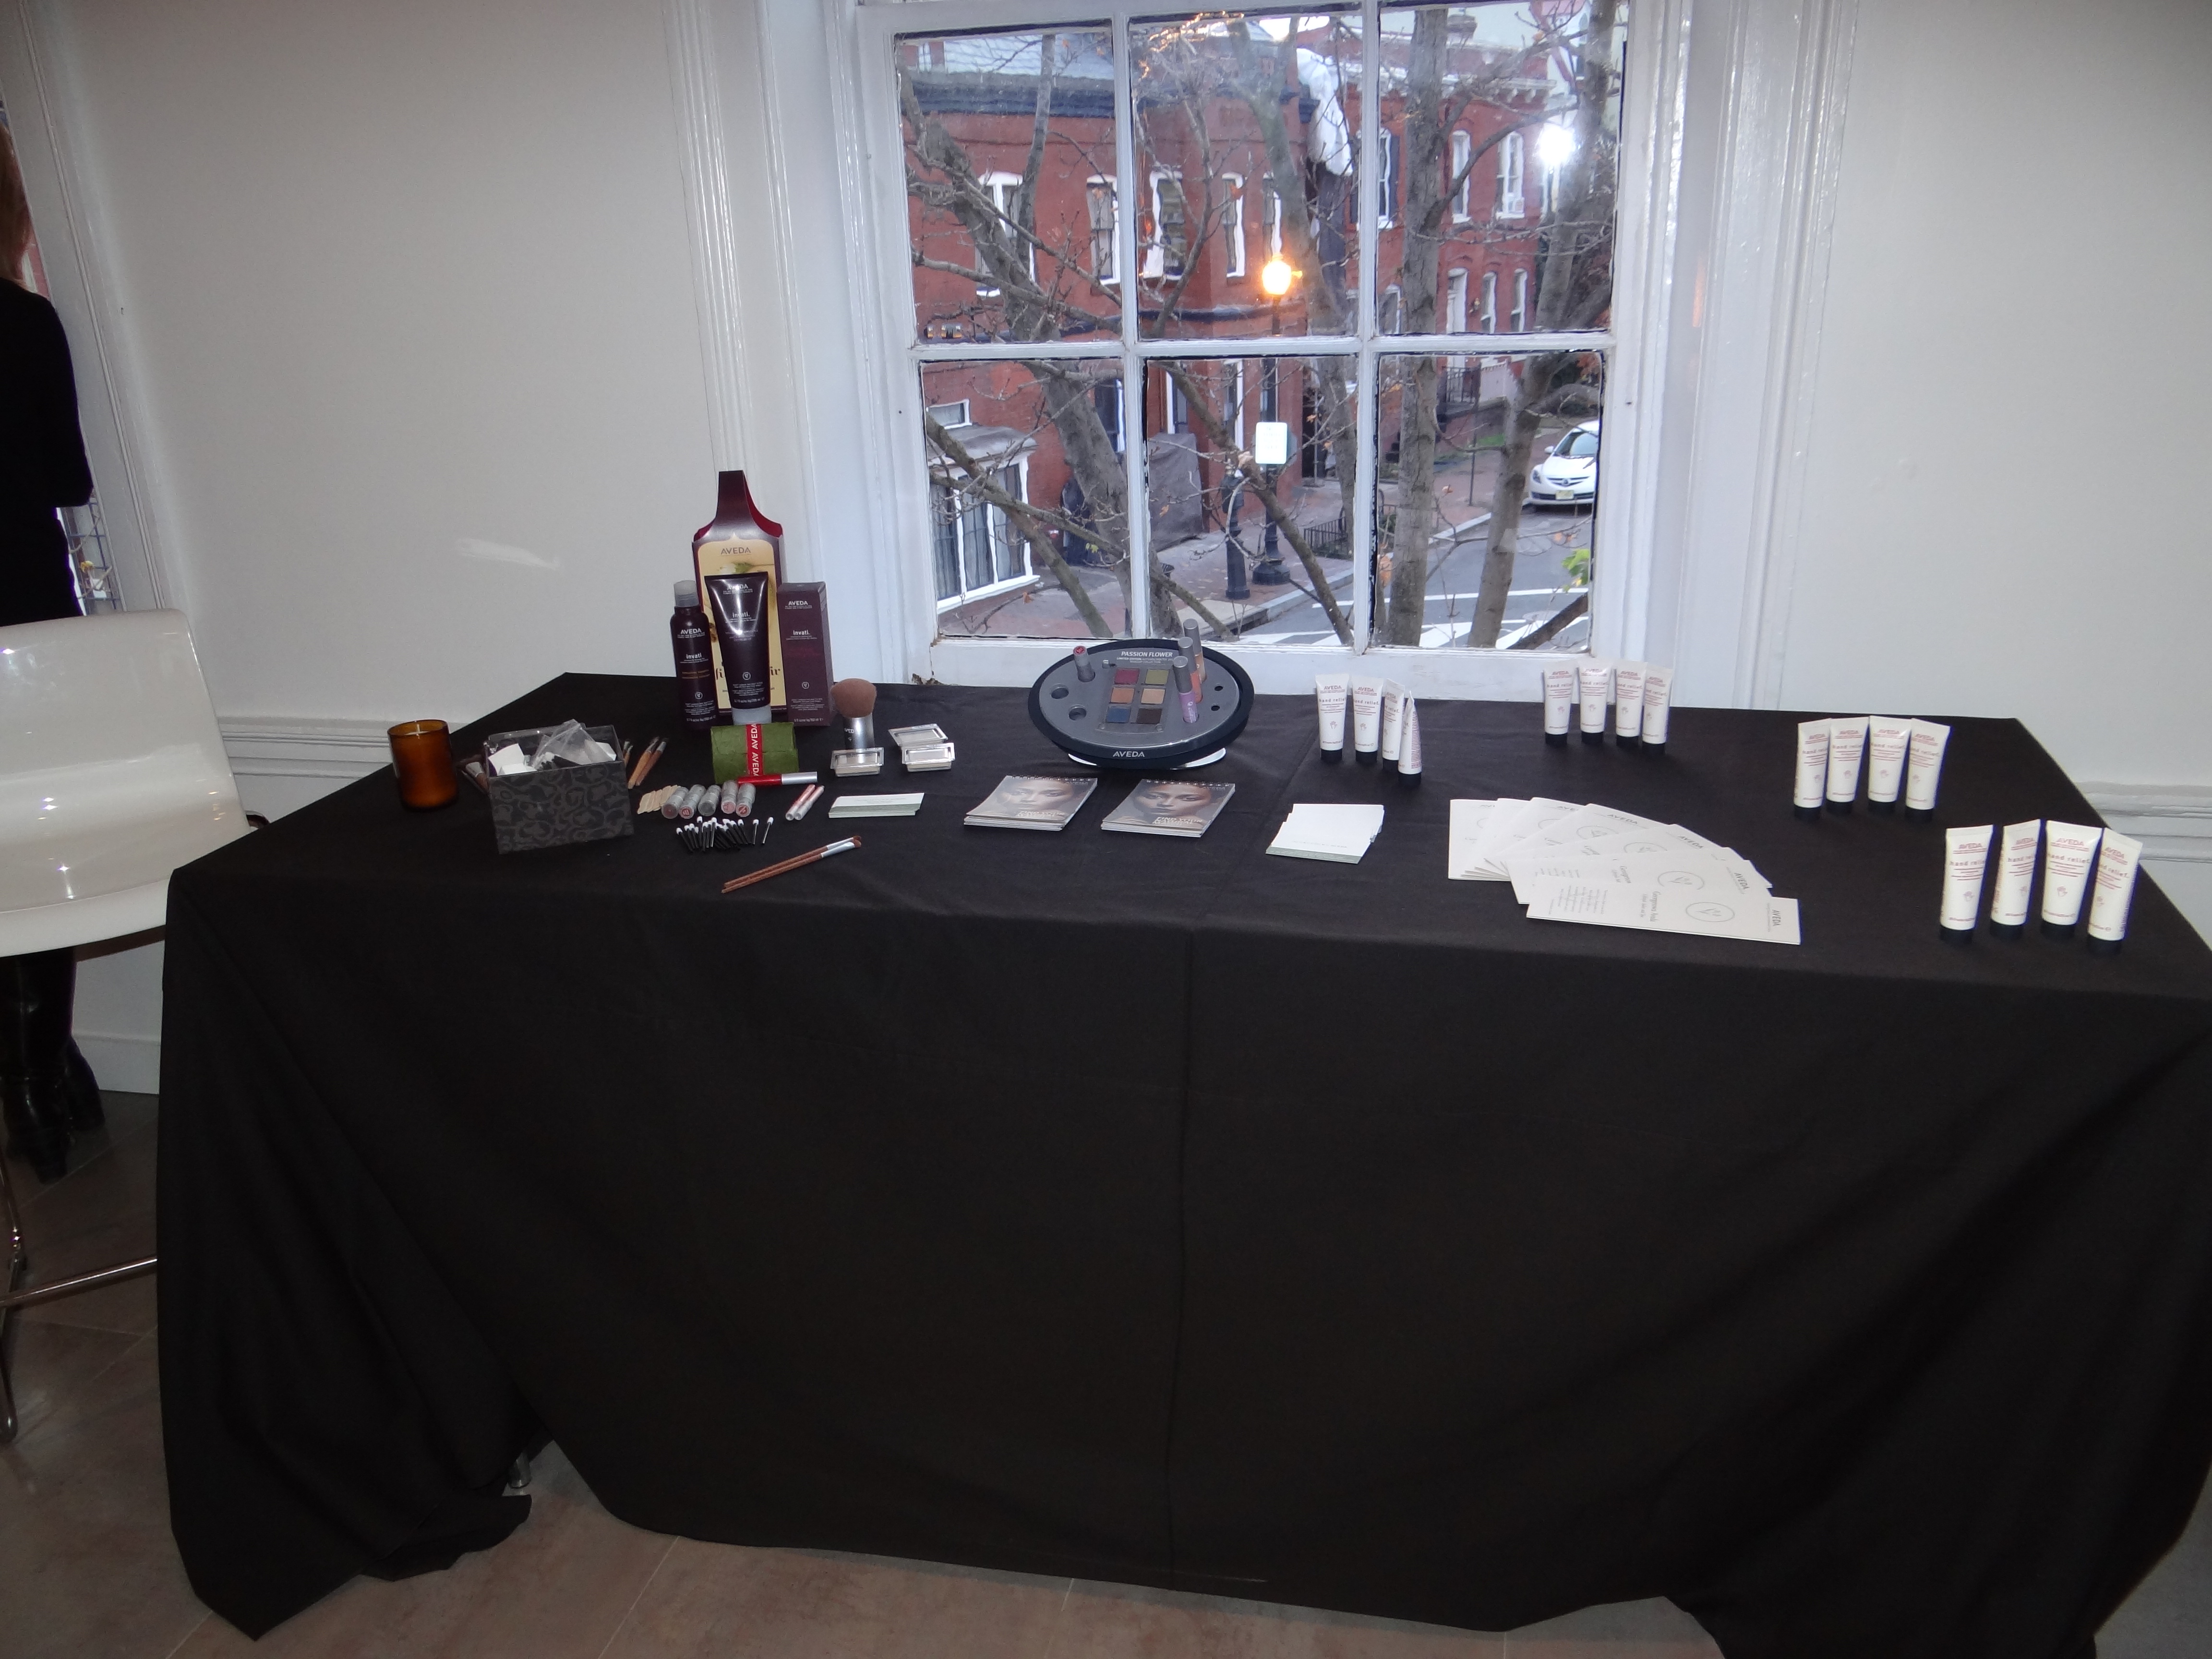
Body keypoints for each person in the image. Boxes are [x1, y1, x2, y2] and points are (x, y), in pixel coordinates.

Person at [1, 119, 105, 1181]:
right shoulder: (22, 322)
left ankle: (38, 1069)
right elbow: (70, 479)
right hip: (23, 613)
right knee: (42, 835)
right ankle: (42, 1067)